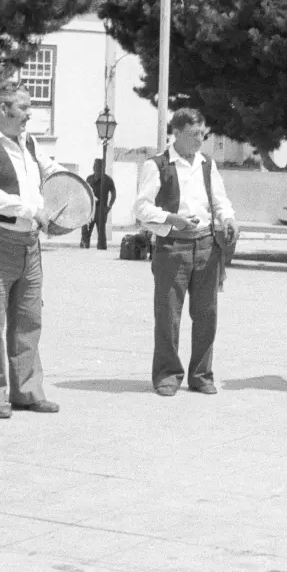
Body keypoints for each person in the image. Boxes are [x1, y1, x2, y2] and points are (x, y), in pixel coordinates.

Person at [0, 84, 66, 419]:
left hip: (29, 246)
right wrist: (31, 210)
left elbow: (52, 171)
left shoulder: (29, 143)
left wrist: (73, 192)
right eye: (24, 107)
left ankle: (28, 392)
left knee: (29, 320)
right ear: (2, 107)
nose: (29, 114)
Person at [134, 108, 236, 396]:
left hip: (206, 246)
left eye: (202, 134)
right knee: (168, 314)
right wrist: (171, 219)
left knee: (207, 314)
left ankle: (201, 375)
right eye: (193, 135)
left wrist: (228, 218)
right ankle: (167, 375)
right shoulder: (157, 165)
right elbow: (141, 208)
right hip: (172, 247)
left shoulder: (207, 164)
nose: (200, 140)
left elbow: (220, 200)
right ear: (176, 133)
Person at [81, 159, 117, 250]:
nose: (94, 167)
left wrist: (109, 207)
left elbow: (114, 194)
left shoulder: (108, 180)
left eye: (96, 165)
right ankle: (84, 248)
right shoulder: (89, 178)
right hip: (90, 209)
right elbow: (85, 192)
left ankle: (101, 249)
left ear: (101, 167)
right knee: (85, 229)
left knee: (101, 232)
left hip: (101, 209)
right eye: (94, 165)